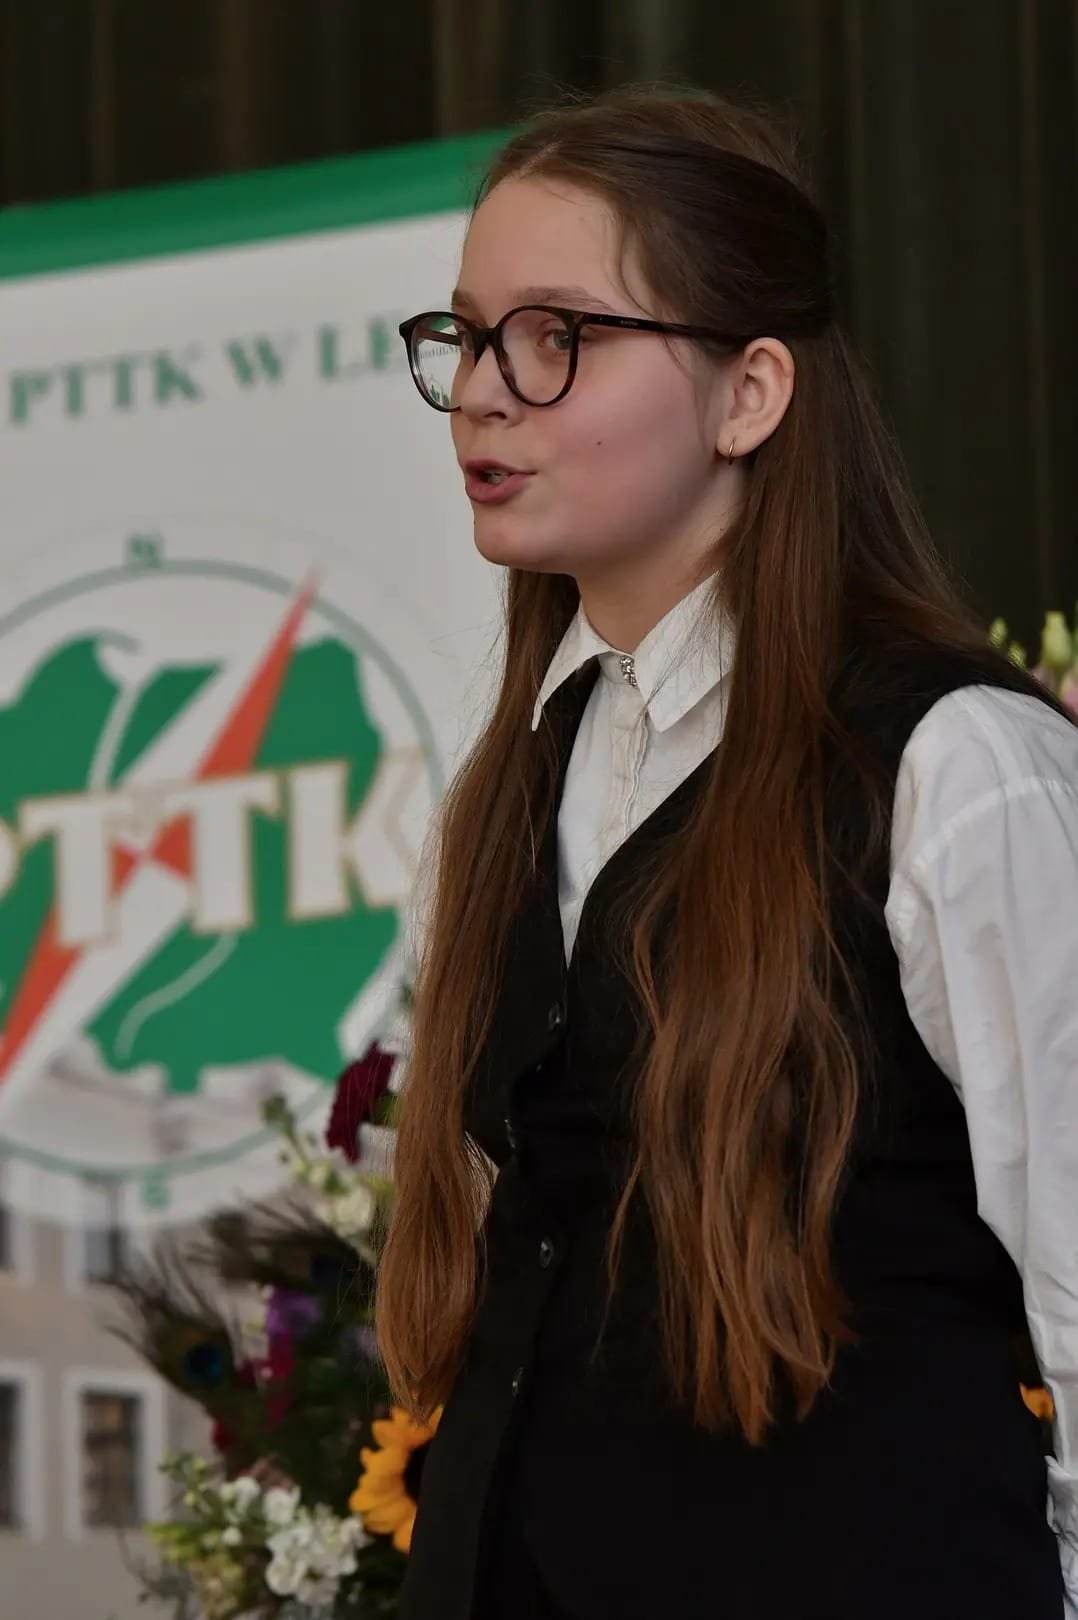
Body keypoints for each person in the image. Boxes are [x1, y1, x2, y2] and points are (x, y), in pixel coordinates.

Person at [376, 85, 1078, 1619]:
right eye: (467, 336)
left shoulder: (953, 763)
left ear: (748, 393)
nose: (484, 392)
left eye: (556, 334)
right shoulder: (522, 772)